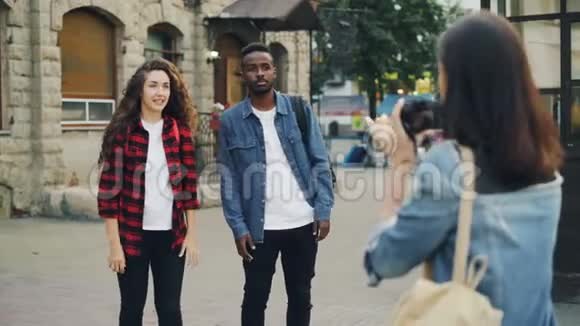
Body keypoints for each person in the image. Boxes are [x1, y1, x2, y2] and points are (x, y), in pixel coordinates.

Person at [364, 12, 564, 326]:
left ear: (456, 82)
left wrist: (401, 164)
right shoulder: (545, 159)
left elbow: (385, 260)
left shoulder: (448, 165)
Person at [217, 42, 334, 326]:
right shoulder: (231, 120)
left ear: (274, 71)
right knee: (255, 299)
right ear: (242, 74)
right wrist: (238, 227)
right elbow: (228, 178)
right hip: (259, 230)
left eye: (265, 67)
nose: (259, 73)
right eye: (252, 68)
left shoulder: (298, 109)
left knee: (300, 295)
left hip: (302, 223)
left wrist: (323, 210)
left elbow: (320, 161)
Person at [97, 58, 200, 326]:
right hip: (132, 237)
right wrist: (114, 246)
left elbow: (189, 189)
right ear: (140, 90)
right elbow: (108, 194)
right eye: (153, 85)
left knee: (169, 310)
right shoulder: (123, 132)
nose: (160, 92)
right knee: (132, 308)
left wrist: (192, 235)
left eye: (165, 86)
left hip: (172, 237)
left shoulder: (179, 132)